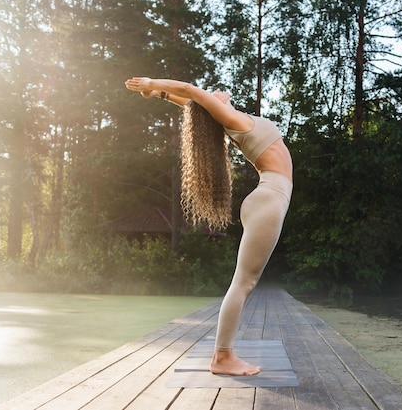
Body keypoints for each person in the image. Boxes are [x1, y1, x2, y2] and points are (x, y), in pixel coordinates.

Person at [125, 77, 293, 376]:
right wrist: (152, 83)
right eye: (212, 96)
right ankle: (222, 357)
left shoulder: (232, 120)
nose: (214, 93)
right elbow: (192, 94)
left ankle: (223, 355)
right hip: (269, 199)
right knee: (245, 282)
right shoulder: (233, 120)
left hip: (269, 199)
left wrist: (161, 93)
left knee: (245, 282)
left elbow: (195, 105)